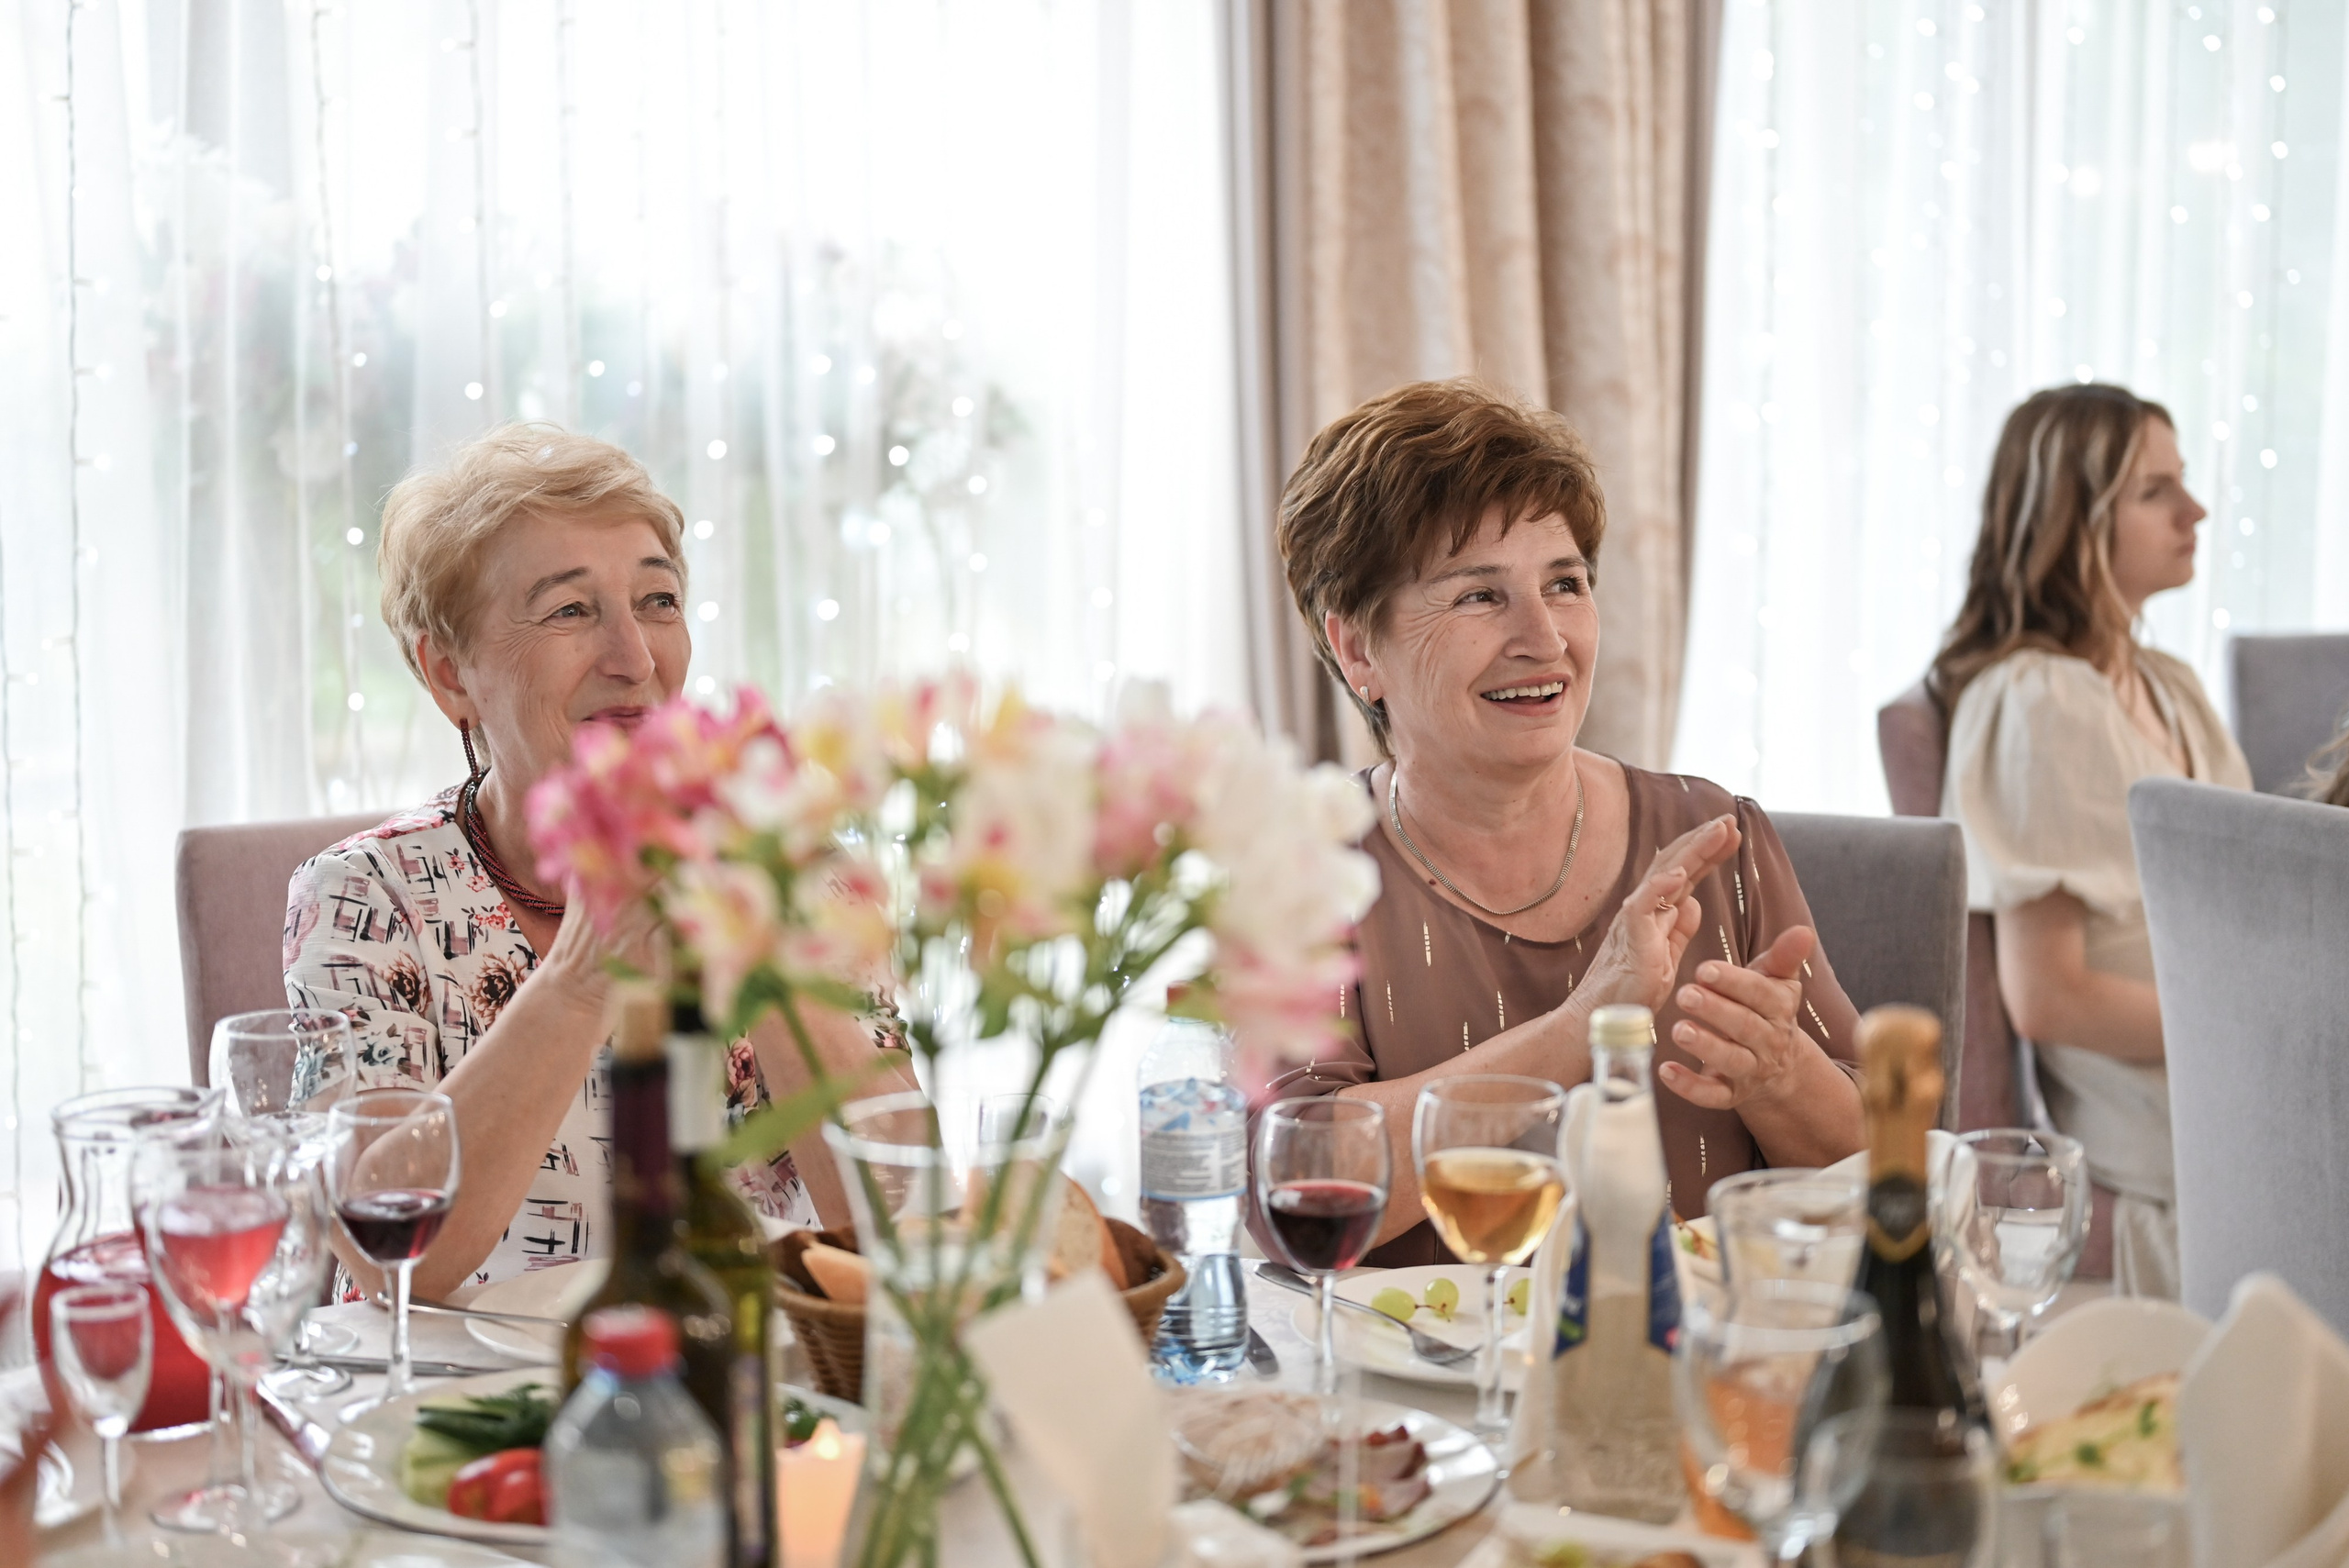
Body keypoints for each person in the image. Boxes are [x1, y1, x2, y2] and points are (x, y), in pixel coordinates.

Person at [285, 426, 907, 1300]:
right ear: (450, 674)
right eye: (571, 611)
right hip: (464, 1386)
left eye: (658, 600)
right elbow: (387, 1257)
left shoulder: (797, 869)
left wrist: (763, 947)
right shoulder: (364, 898)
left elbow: (906, 1225)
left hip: (745, 1368)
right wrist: (581, 975)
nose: (637, 658)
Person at [1270, 379, 1866, 1265]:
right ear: (1359, 648)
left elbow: (1886, 1167)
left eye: (1565, 583)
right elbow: (1292, 1183)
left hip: (1689, 1349)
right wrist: (1586, 1022)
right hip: (1413, 1358)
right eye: (1479, 596)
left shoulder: (1714, 835)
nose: (1546, 639)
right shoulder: (1303, 874)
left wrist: (1780, 1075)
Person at [1931, 383, 2250, 1299]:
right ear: (2074, 523)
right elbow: (2048, 994)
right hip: (2171, 1118)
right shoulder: (2041, 701)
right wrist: (2254, 1025)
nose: (2194, 511)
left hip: (2231, 1073)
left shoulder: (2169, 684)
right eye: (2156, 491)